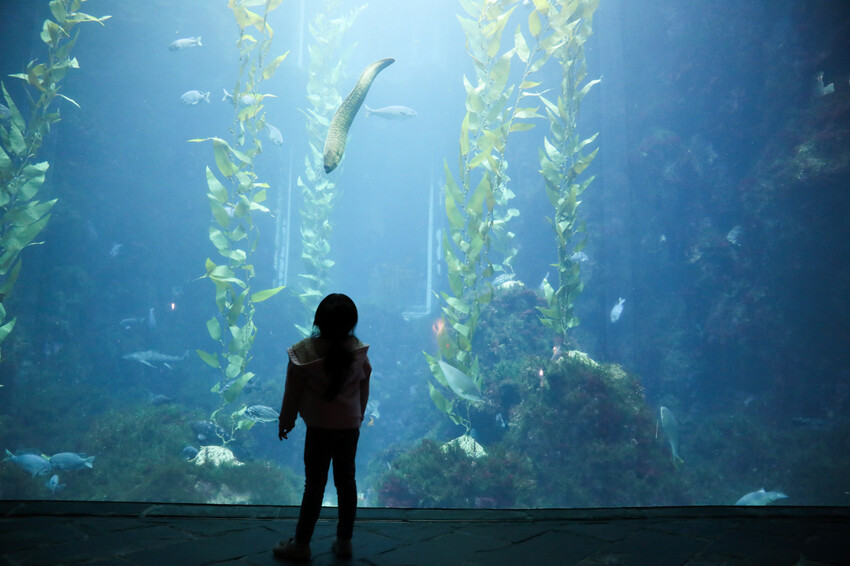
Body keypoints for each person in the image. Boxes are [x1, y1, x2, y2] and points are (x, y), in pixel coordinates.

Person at [274, 293, 371, 562]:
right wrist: (359, 415)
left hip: (318, 428)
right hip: (349, 428)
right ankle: (344, 542)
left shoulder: (304, 354)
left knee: (314, 485)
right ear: (352, 324)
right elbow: (365, 383)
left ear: (317, 321)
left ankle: (302, 543)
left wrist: (286, 420)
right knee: (347, 482)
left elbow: (291, 392)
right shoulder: (358, 353)